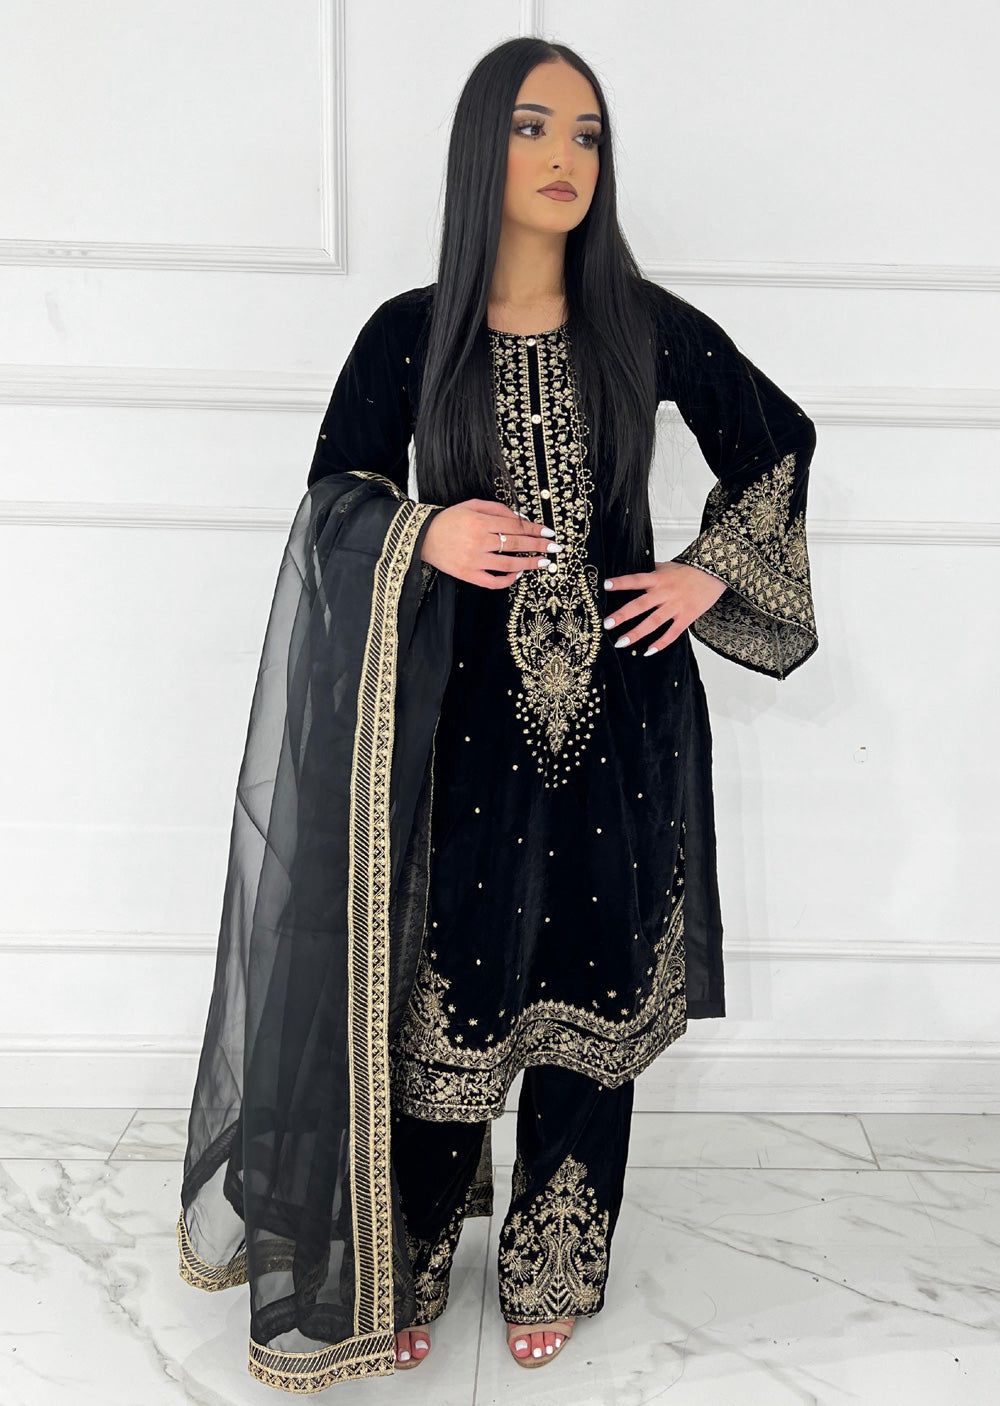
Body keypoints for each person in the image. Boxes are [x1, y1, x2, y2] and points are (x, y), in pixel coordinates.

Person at [176, 37, 818, 1393]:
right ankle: (408, 1252)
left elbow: (776, 439)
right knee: (445, 989)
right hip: (452, 727)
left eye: (587, 133)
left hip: (623, 721)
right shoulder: (412, 333)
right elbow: (332, 503)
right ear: (484, 150)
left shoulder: (643, 326)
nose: (565, 157)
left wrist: (706, 572)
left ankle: (555, 1257)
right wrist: (426, 528)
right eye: (533, 128)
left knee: (593, 986)